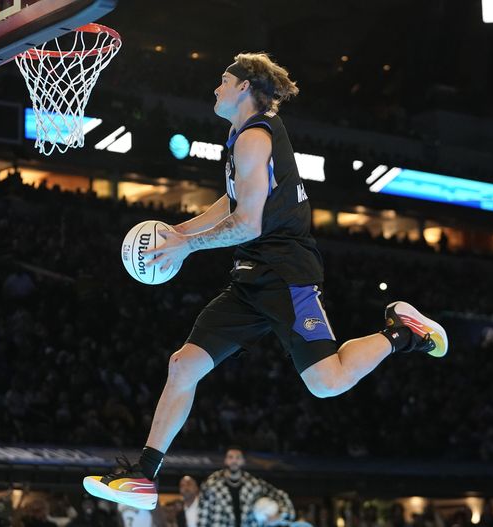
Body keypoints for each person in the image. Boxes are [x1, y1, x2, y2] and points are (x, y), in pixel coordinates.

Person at [83, 51, 449, 510]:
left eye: (223, 79)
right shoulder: (241, 136)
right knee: (183, 365)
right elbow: (233, 200)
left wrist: (187, 247)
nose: (216, 87)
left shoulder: (255, 138)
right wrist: (179, 231)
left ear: (244, 87)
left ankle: (403, 333)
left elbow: (249, 223)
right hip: (251, 275)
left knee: (327, 382)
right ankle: (144, 475)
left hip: (285, 273)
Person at [197, 447, 294, 527]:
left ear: (243, 461)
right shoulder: (211, 484)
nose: (234, 461)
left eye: (238, 457)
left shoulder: (254, 483)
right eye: (230, 457)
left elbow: (280, 494)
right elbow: (203, 514)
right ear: (225, 460)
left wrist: (281, 514)